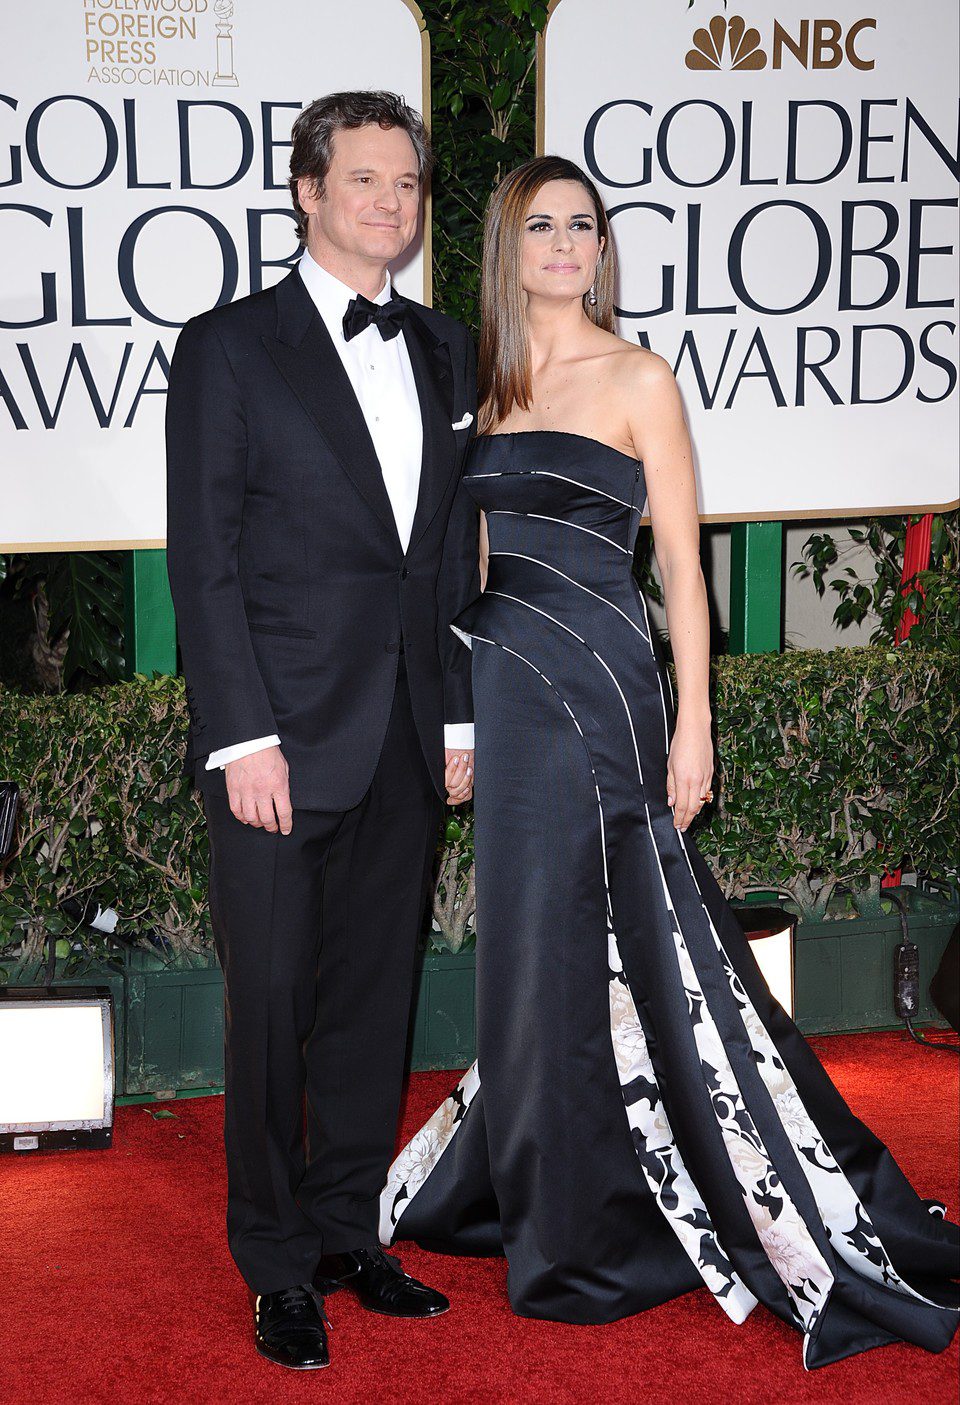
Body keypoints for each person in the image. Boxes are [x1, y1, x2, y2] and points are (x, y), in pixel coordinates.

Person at [380, 155, 960, 1369]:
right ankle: (549, 1192)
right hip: (506, 692)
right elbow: (472, 569)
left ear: (602, 246)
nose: (564, 244)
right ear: (508, 244)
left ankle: (607, 1218)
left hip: (605, 689)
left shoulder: (642, 376)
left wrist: (695, 717)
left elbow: (682, 573)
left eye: (582, 225)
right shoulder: (482, 388)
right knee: (532, 950)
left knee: (648, 942)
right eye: (541, 226)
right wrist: (464, 723)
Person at [165, 90, 479, 1371]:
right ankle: (276, 1261)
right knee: (271, 1008)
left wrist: (460, 713)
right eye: (364, 181)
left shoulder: (448, 347)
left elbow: (451, 554)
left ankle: (352, 1229)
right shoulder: (229, 345)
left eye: (405, 184)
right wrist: (241, 740)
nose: (388, 205)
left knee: (369, 1001)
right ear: (307, 191)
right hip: (281, 744)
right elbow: (207, 560)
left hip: (408, 728)